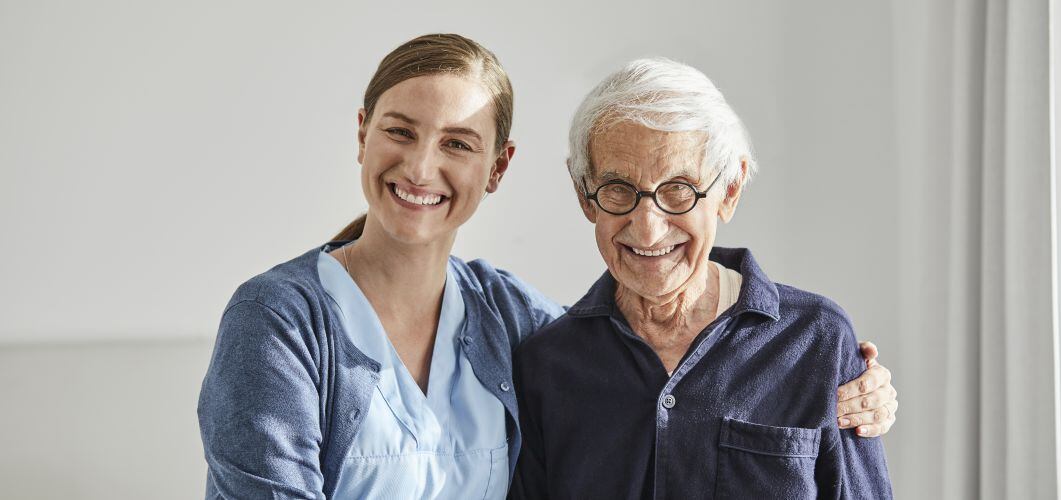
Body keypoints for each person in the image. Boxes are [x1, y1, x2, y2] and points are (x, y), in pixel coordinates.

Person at [197, 34, 897, 499]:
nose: (420, 167)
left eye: (458, 143)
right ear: (363, 133)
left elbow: (643, 348)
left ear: (497, 167)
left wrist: (863, 389)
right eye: (400, 132)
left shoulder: (509, 317)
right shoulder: (282, 321)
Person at [511, 58, 894, 499]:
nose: (648, 228)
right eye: (618, 188)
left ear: (729, 191)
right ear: (585, 195)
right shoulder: (546, 365)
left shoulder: (816, 340)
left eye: (679, 188)